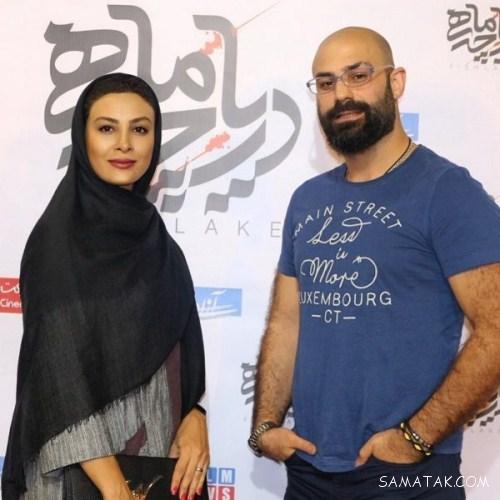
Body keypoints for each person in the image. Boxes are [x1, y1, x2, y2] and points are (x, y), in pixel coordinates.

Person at [249, 27, 500, 499]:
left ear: (395, 82)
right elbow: (286, 321)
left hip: (409, 475)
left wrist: (414, 440)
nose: (341, 94)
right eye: (326, 83)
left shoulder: (447, 191)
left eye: (358, 75)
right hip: (309, 472)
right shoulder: (308, 199)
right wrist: (265, 426)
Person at [2, 73, 209, 500]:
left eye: (140, 129)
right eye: (107, 128)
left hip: (152, 469)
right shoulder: (57, 243)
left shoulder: (160, 246)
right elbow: (57, 378)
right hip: (78, 477)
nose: (124, 144)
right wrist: (116, 489)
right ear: (83, 138)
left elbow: (178, 359)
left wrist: (195, 415)